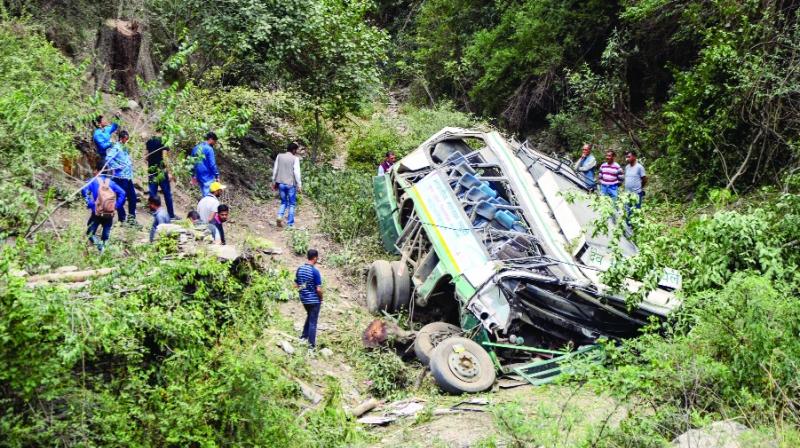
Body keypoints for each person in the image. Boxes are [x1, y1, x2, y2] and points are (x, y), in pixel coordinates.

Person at [81, 162, 126, 252]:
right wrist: (116, 206)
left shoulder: (93, 181)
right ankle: (104, 250)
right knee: (105, 236)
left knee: (90, 233)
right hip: (109, 212)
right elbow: (123, 193)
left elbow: (83, 189)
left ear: (98, 170)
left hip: (97, 211)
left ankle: (100, 248)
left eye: (95, 170)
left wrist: (89, 203)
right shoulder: (111, 183)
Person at [105, 130, 139, 225]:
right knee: (121, 198)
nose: (127, 141)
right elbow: (108, 158)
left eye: (127, 139)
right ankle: (122, 218)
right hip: (120, 177)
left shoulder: (125, 148)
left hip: (128, 177)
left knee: (133, 198)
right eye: (125, 139)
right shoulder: (116, 147)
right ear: (121, 138)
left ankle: (131, 219)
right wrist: (117, 167)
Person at [295, 249, 323, 348]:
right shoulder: (315, 271)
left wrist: (304, 290)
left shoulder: (300, 269)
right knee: (313, 322)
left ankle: (303, 336)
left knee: (310, 316)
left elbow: (296, 285)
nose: (317, 259)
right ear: (315, 258)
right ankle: (311, 346)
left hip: (304, 299)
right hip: (314, 300)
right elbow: (318, 289)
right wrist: (321, 298)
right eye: (317, 258)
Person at [145, 132, 176, 220]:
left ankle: (153, 213)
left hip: (151, 170)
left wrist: (151, 163)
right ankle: (171, 215)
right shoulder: (164, 141)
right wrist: (168, 171)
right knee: (167, 193)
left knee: (152, 192)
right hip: (161, 171)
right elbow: (164, 158)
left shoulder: (149, 141)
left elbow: (146, 156)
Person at [272, 142, 302, 228]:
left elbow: (275, 169)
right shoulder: (295, 159)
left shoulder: (279, 156)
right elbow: (297, 172)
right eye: (296, 150)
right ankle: (290, 224)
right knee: (292, 204)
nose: (296, 152)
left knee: (283, 202)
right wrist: (299, 185)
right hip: (290, 184)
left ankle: (279, 216)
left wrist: (273, 181)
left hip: (281, 183)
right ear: (294, 150)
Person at [190, 132, 220, 197]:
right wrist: (217, 175)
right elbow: (212, 164)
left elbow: (191, 162)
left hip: (199, 176)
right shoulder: (209, 149)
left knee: (204, 195)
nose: (215, 143)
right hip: (208, 176)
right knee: (209, 196)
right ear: (211, 139)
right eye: (215, 141)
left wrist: (193, 176)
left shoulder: (196, 148)